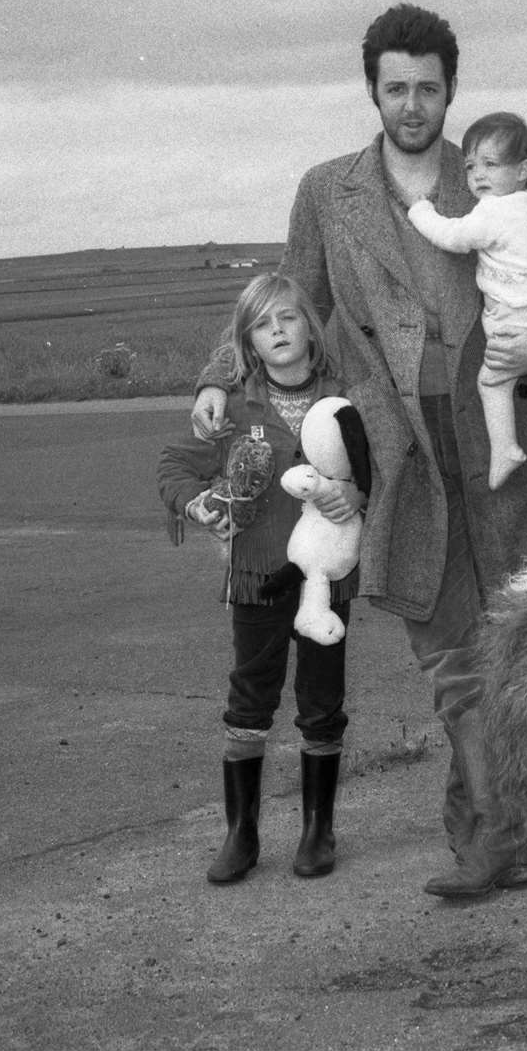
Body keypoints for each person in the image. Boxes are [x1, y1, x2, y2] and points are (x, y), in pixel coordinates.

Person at [188, 3, 527, 899]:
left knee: (517, 634)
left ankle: (491, 823)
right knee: (444, 646)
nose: (412, 104)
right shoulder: (330, 190)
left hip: (498, 436)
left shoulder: (491, 174)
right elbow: (290, 296)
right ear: (372, 89)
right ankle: (495, 834)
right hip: (394, 446)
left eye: (428, 88)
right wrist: (219, 372)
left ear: (451, 91)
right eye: (395, 87)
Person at [159, 273, 359, 884]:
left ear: (310, 326)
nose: (278, 331)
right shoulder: (232, 407)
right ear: (247, 340)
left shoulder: (345, 397)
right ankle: (241, 834)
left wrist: (359, 494)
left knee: (322, 702)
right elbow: (175, 465)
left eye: (289, 318)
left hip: (326, 579)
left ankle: (317, 831)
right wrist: (196, 505)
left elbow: (380, 462)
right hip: (255, 575)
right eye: (263, 324)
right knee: (251, 698)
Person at [407, 112, 527, 490]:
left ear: (523, 169)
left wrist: (420, 211)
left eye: (491, 165)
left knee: (491, 381)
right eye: (471, 166)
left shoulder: (494, 210)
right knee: (510, 380)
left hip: (515, 314)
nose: (478, 175)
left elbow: (454, 236)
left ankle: (506, 448)